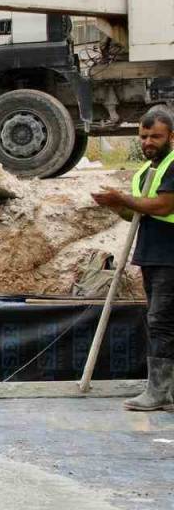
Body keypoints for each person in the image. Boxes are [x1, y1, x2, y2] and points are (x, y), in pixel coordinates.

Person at [91, 107, 174, 411]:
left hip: (170, 257)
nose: (149, 141)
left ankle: (160, 392)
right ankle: (167, 390)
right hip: (153, 255)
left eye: (156, 136)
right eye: (144, 136)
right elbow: (138, 213)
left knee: (161, 322)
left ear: (171, 137)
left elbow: (164, 206)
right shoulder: (146, 172)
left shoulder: (173, 165)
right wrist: (114, 205)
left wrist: (123, 198)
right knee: (161, 321)